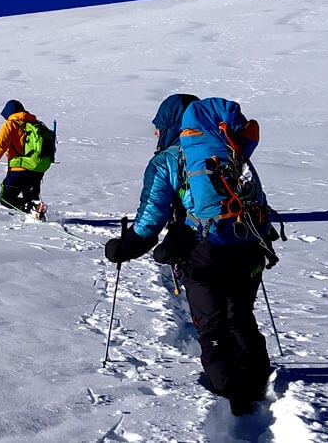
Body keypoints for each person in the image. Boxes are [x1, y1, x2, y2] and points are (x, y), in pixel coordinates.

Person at [104, 93, 274, 416]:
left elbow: (148, 224)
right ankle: (261, 385)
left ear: (170, 123)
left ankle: (231, 397)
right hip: (250, 245)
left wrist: (120, 248)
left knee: (212, 327)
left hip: (206, 253)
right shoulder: (226, 149)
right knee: (240, 316)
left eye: (158, 127)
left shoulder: (167, 161)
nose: (156, 135)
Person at [0, 99, 49, 220]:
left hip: (19, 169)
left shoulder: (11, 124)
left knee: (5, 199)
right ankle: (36, 213)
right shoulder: (36, 125)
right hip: (39, 168)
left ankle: (31, 209)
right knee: (30, 198)